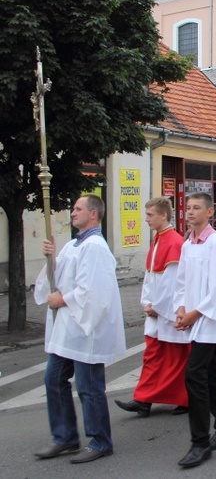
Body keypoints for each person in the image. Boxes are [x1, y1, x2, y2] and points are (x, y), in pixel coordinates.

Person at [33, 195, 126, 464]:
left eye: (78, 209)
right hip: (67, 329)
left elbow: (94, 292)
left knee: (88, 386)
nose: (72, 213)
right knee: (53, 379)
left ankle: (100, 441)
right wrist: (50, 258)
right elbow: (56, 279)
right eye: (73, 209)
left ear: (94, 214)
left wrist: (62, 299)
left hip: (87, 330)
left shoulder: (95, 246)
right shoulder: (74, 244)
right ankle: (65, 437)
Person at [173, 192, 216, 468]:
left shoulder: (213, 243)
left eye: (197, 208)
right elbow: (181, 281)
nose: (190, 212)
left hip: (208, 318)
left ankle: (199, 442)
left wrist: (194, 314)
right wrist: (180, 308)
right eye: (188, 208)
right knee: (211, 372)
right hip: (193, 317)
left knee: (195, 374)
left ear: (210, 212)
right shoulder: (188, 244)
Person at [115, 197, 189, 418]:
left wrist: (158, 306)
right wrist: (146, 302)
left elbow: (173, 281)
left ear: (164, 215)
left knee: (177, 358)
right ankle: (143, 400)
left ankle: (185, 398)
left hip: (168, 310)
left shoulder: (174, 242)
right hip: (156, 309)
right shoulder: (158, 240)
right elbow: (150, 275)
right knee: (153, 356)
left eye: (150, 215)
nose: (146, 219)